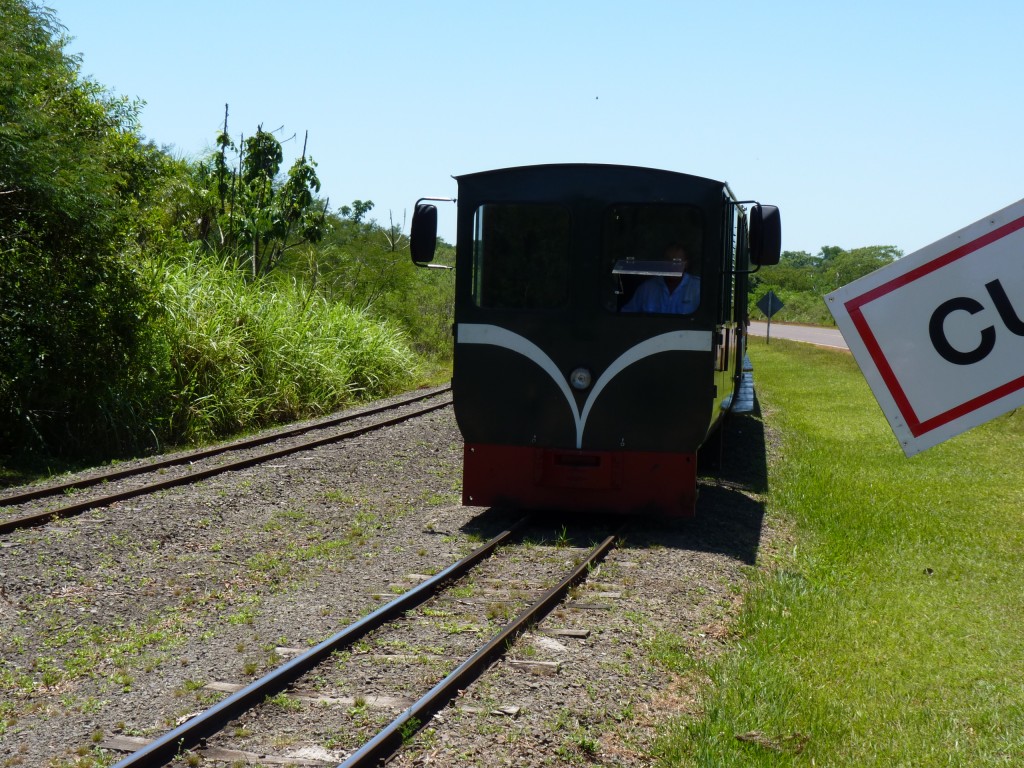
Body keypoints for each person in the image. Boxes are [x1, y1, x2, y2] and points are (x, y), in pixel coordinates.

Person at [621, 244, 700, 314]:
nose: (671, 265)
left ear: (686, 264)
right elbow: (625, 316)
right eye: (667, 260)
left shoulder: (698, 289)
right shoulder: (647, 289)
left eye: (677, 261)